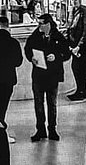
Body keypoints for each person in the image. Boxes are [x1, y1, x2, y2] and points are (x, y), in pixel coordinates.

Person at [24, 12, 71, 141]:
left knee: (52, 103)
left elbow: (66, 54)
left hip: (52, 75)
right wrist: (31, 58)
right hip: (38, 74)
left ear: (48, 24)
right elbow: (27, 49)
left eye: (41, 24)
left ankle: (52, 129)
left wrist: (56, 57)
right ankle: (40, 129)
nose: (39, 26)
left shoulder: (58, 36)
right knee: (38, 103)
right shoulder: (35, 36)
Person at [67, 0, 86, 101]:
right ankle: (80, 90)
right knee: (76, 67)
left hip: (83, 44)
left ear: (80, 0)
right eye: (72, 0)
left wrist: (79, 45)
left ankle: (82, 91)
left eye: (76, 0)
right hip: (75, 44)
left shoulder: (84, 11)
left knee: (80, 67)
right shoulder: (73, 11)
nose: (74, 2)